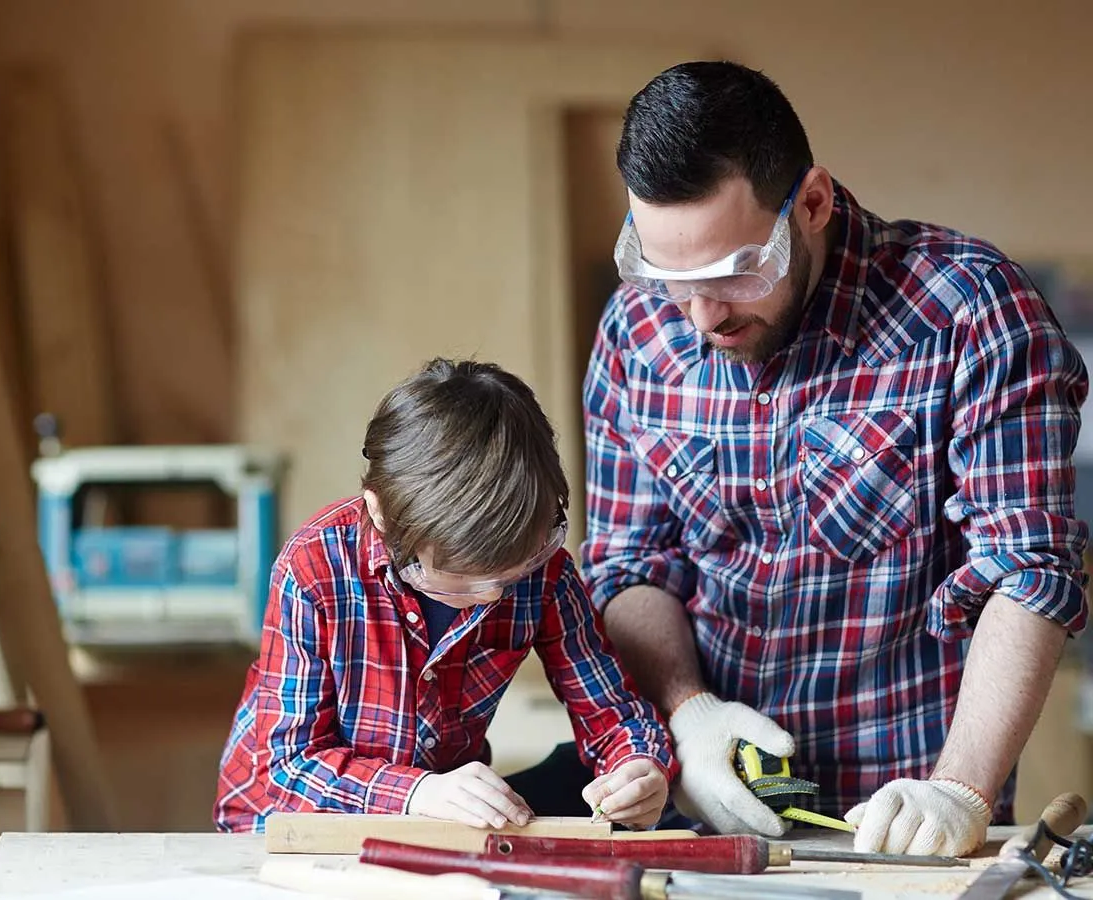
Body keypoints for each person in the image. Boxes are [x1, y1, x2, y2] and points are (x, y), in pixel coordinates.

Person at [582, 60, 1089, 857]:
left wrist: (959, 789)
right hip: (709, 812)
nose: (703, 315)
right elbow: (628, 562)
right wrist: (686, 713)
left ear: (811, 203)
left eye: (734, 272)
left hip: (903, 822)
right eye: (671, 278)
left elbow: (1028, 568)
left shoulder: (969, 312)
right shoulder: (636, 334)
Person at [215, 358, 674, 833]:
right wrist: (418, 791)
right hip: (283, 822)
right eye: (463, 579)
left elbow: (611, 711)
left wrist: (638, 767)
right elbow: (287, 767)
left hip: (438, 821)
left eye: (512, 573)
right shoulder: (313, 569)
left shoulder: (542, 568)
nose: (493, 595)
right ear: (382, 515)